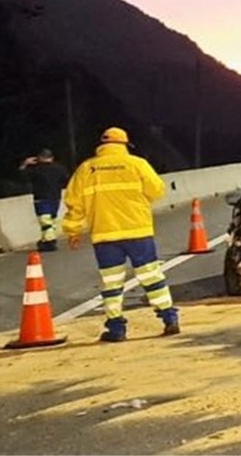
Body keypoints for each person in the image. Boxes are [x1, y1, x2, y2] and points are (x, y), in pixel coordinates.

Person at [62, 127, 179, 342]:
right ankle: (169, 318)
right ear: (124, 144)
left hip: (105, 236)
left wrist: (73, 231)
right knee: (151, 277)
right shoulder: (137, 164)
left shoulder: (86, 169)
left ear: (101, 145)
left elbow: (74, 203)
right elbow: (157, 191)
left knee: (112, 284)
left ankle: (116, 330)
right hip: (138, 231)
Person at [19, 148, 71, 252]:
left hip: (41, 198)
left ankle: (49, 242)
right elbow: (66, 180)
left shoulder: (36, 169)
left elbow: (22, 177)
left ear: (40, 158)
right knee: (51, 220)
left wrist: (25, 164)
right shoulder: (60, 168)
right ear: (52, 157)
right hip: (55, 197)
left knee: (45, 221)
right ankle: (47, 240)